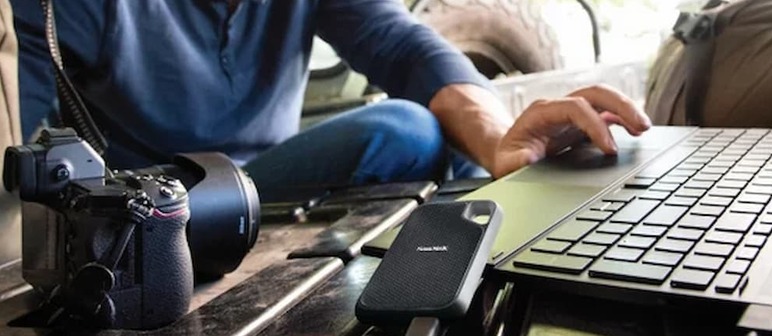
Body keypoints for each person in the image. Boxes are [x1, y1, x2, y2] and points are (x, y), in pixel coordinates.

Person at [11, 0, 651, 201]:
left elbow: (403, 49)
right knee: (405, 131)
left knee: (460, 156)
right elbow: (19, 134)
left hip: (271, 182)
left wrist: (497, 140)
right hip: (167, 208)